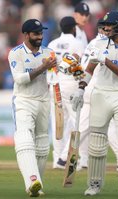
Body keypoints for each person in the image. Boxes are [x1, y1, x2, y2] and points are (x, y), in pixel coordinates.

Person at [70, 11, 118, 197]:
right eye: (103, 25)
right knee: (96, 142)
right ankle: (94, 184)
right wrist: (80, 88)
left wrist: (105, 60)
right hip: (101, 94)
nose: (104, 28)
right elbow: (89, 70)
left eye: (108, 25)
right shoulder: (98, 43)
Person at [8, 19, 57, 197]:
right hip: (23, 100)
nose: (40, 36)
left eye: (41, 33)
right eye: (36, 33)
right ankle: (32, 181)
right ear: (26, 34)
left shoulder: (49, 52)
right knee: (24, 140)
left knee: (43, 145)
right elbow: (19, 79)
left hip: (43, 101)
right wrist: (42, 67)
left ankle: (37, 186)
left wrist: (70, 64)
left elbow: (55, 75)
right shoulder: (16, 53)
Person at [79, 18, 118, 170]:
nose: (109, 30)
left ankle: (68, 157)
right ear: (101, 30)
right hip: (97, 88)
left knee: (83, 126)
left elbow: (84, 67)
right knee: (109, 126)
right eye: (107, 28)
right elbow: (88, 67)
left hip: (91, 87)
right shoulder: (102, 44)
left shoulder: (92, 43)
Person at [47, 16, 84, 169]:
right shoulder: (77, 43)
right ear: (73, 28)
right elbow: (80, 66)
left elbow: (50, 67)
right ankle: (66, 157)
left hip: (55, 85)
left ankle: (57, 160)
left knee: (58, 123)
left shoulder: (52, 44)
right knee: (78, 122)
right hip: (71, 85)